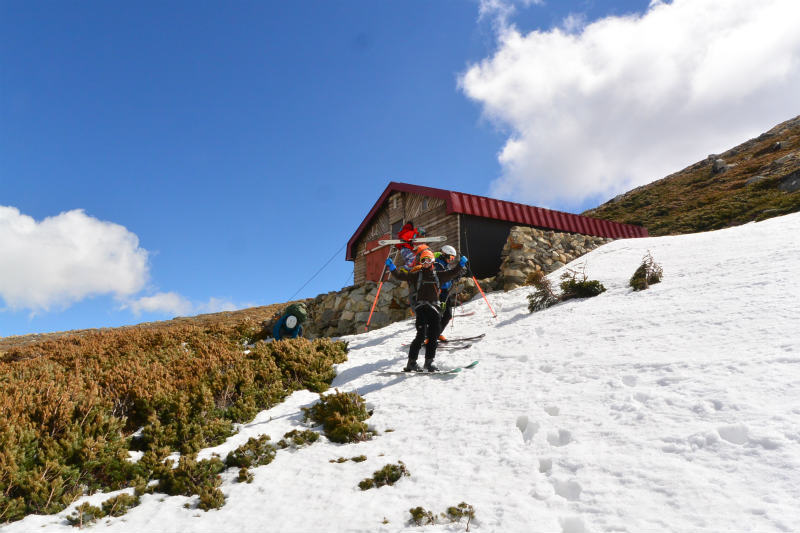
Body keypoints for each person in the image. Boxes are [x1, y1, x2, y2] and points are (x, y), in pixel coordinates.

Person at [386, 249, 469, 372]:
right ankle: (411, 363)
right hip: (421, 308)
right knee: (420, 335)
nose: (425, 262)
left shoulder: (438, 275)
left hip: (434, 309)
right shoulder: (416, 275)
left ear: (432, 261)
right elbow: (400, 276)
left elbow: (452, 273)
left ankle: (429, 363)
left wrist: (461, 265)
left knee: (433, 336)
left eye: (428, 260)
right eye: (423, 260)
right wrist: (392, 267)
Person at [434, 245, 463, 341]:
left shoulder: (445, 265)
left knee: (447, 315)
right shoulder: (437, 264)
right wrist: (453, 276)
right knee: (437, 315)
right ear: (444, 254)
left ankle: (436, 334)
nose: (451, 260)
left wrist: (455, 277)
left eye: (453, 258)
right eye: (451, 257)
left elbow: (447, 278)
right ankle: (430, 336)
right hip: (437, 293)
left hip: (445, 292)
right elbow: (442, 278)